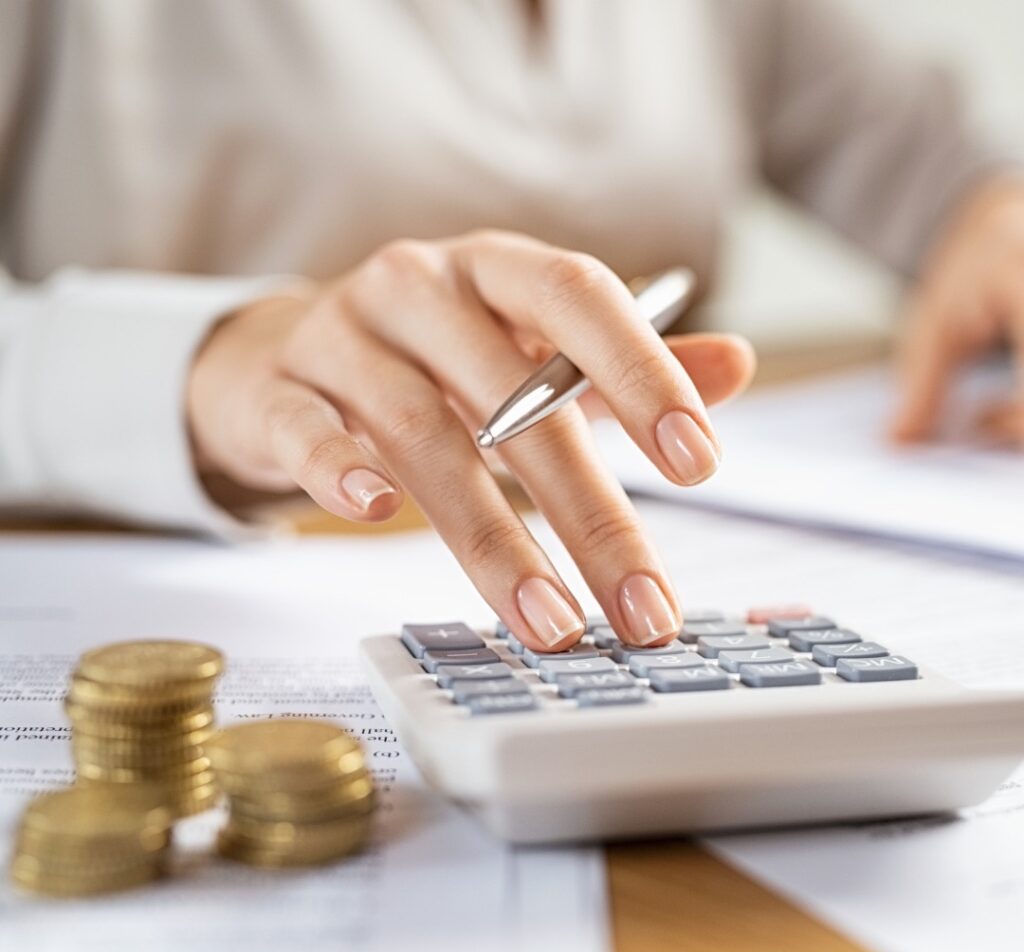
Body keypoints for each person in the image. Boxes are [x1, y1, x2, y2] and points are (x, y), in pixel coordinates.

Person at [1, 1, 1021, 653]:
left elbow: (941, 172)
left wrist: (990, 220)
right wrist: (202, 359)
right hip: (191, 562)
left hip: (704, 548)